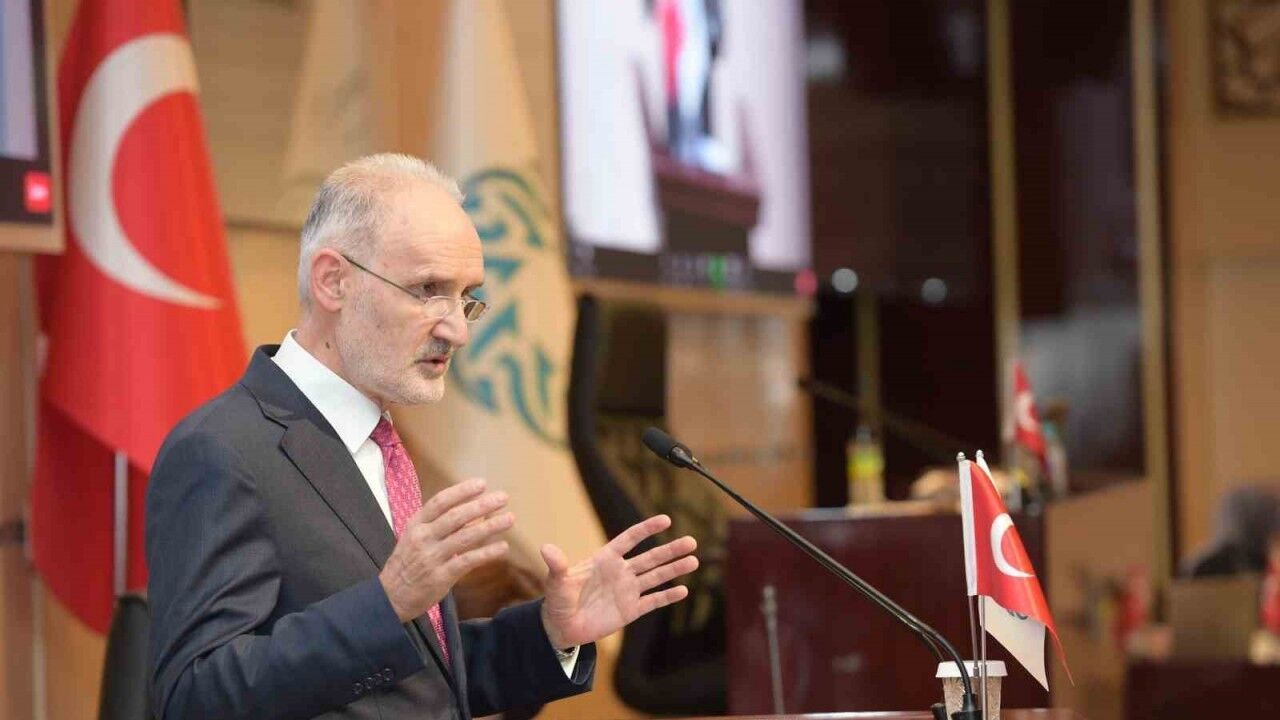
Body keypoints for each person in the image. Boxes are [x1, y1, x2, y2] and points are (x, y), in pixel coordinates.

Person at [145, 154, 700, 720]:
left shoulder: (377, 440)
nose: (457, 330)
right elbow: (194, 697)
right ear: (333, 281)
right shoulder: (222, 450)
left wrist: (548, 633)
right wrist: (386, 603)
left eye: (466, 297)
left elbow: (420, 684)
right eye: (427, 290)